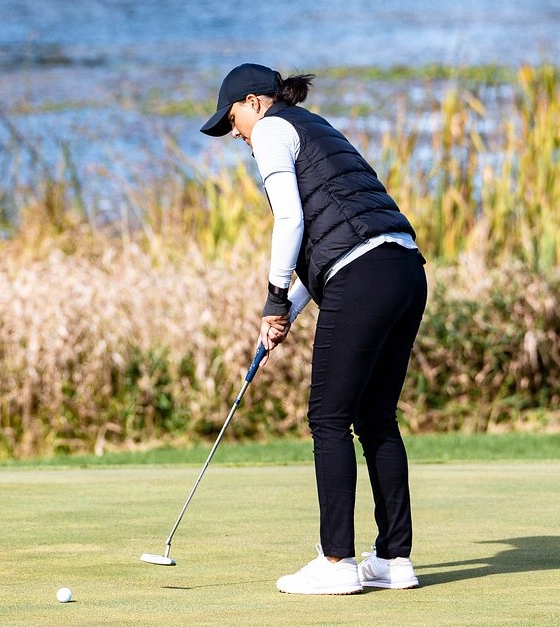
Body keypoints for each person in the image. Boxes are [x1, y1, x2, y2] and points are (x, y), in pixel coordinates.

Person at [200, 63, 428, 595]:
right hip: (403, 269)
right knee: (375, 418)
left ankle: (337, 562)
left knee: (328, 418)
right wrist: (288, 313)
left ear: (254, 103)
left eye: (232, 120)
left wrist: (273, 300)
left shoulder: (271, 130)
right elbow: (336, 241)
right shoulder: (316, 127)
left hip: (363, 273)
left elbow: (290, 221)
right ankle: (394, 560)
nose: (234, 133)